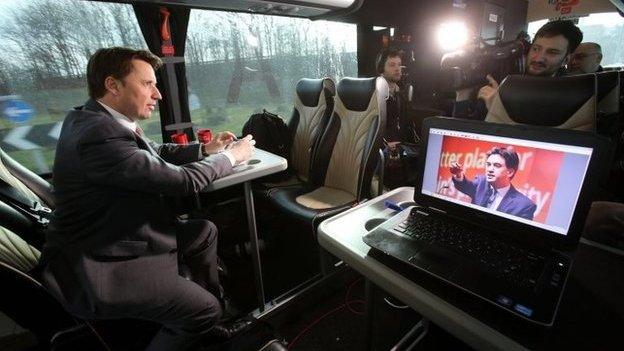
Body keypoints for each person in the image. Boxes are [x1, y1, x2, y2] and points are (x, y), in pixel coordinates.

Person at [39, 47, 254, 351]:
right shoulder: (98, 136)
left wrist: (205, 151)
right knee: (205, 310)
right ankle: (203, 315)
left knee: (204, 232)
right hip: (103, 264)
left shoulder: (100, 119)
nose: (159, 95)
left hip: (118, 236)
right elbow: (185, 181)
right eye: (147, 84)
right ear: (113, 85)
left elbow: (155, 153)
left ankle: (200, 319)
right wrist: (232, 157)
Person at [454, 20, 583, 119]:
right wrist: (463, 95)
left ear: (566, 60)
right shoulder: (505, 75)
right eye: (536, 49)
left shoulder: (568, 96)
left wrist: (500, 111)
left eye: (552, 52)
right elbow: (463, 130)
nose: (538, 58)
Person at [450, 146, 536, 220]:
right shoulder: (481, 183)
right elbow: (465, 185)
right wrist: (458, 174)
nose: (490, 169)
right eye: (488, 164)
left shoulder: (524, 205)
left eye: (497, 165)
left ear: (510, 172)